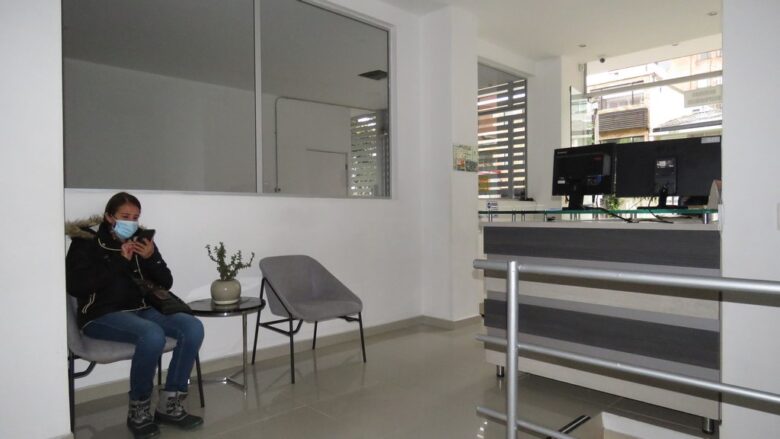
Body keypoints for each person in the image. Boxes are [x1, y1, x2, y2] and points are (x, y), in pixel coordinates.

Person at [66, 192, 204, 438]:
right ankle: (138, 410)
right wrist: (119, 261)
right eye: (125, 216)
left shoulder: (141, 240)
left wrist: (151, 257)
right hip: (101, 314)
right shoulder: (86, 241)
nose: (131, 222)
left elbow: (166, 282)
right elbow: (77, 286)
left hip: (142, 309)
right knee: (151, 335)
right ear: (110, 217)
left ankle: (169, 404)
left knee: (193, 327)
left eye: (135, 217)